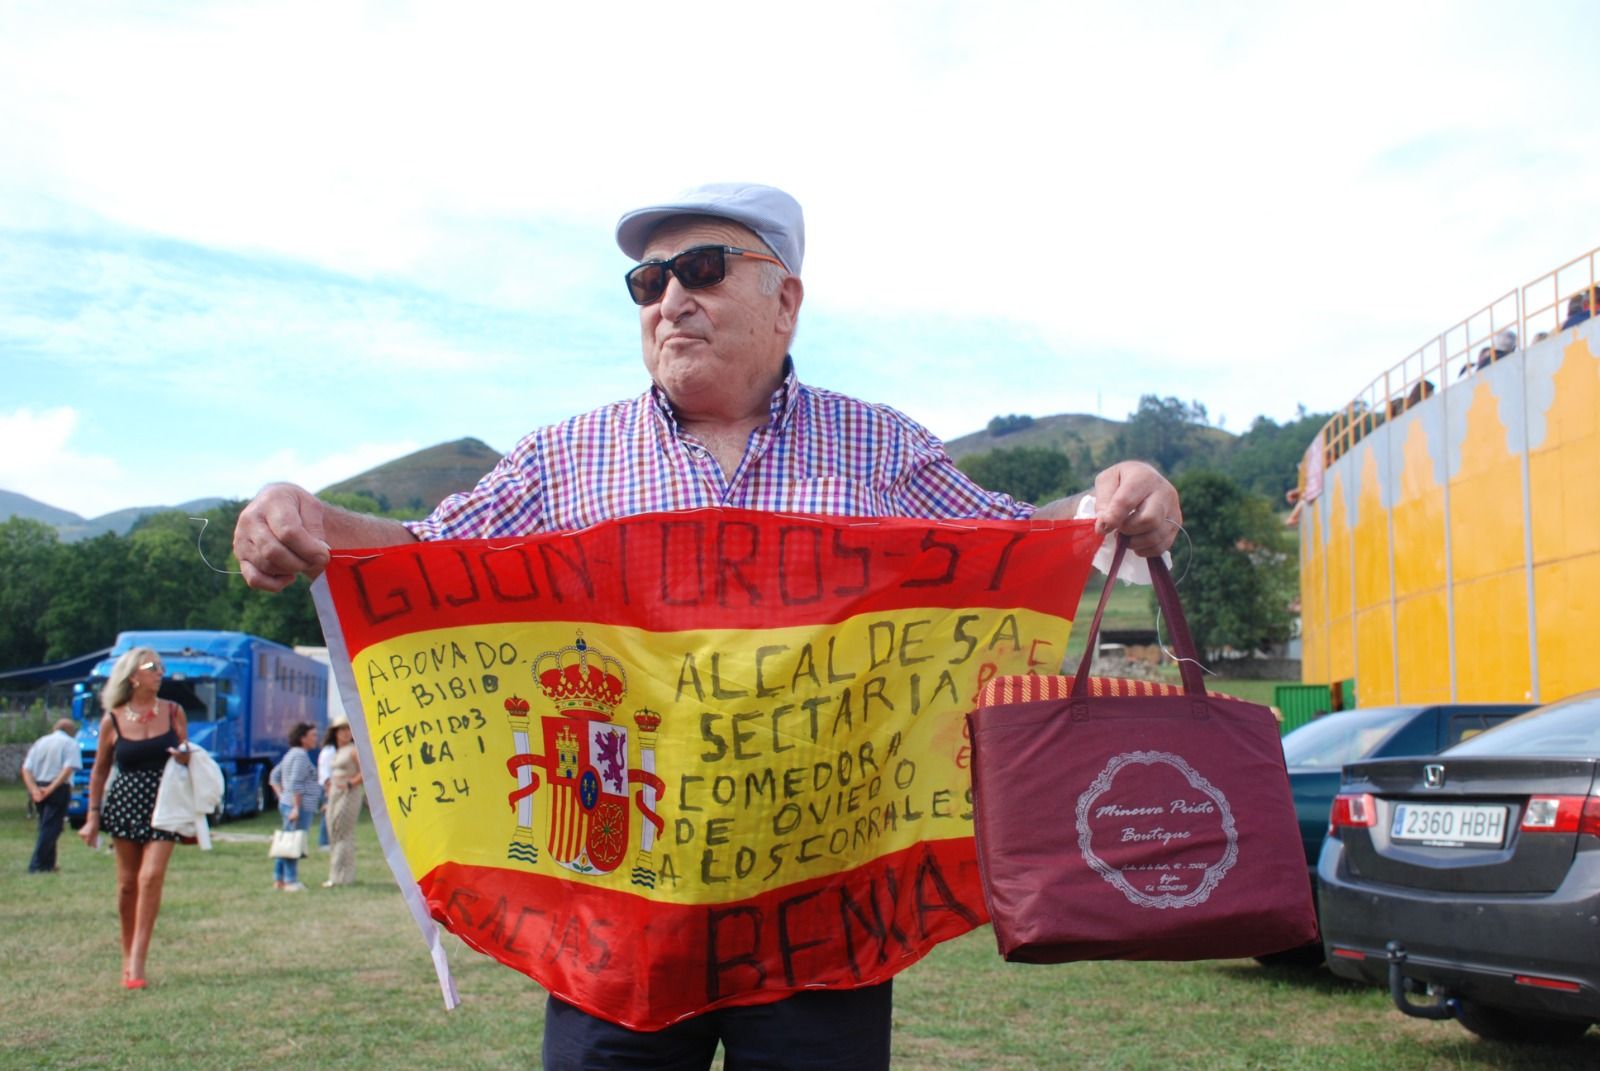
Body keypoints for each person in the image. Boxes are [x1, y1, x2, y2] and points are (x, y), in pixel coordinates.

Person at [233, 182, 1181, 1069]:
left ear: (786, 301)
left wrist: (1121, 505)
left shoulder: (882, 447)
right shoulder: (568, 454)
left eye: (702, 269)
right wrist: (311, 520)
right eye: (648, 282)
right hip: (616, 922)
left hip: (826, 919)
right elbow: (422, 552)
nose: (669, 299)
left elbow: (1020, 546)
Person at [77, 648, 190, 989]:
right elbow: (99, 772)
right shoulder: (112, 719)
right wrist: (92, 817)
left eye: (161, 668)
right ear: (132, 676)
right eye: (152, 667)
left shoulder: (173, 712)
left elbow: (188, 753)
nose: (160, 672)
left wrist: (185, 757)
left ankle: (138, 960)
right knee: (127, 884)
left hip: (165, 804)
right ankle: (127, 954)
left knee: (150, 877)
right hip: (124, 803)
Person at [21, 717, 81, 873]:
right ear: (71, 731)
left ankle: (49, 864)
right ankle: (37, 864)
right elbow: (68, 769)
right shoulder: (70, 743)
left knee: (46, 824)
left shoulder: (40, 742)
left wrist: (34, 789)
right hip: (58, 788)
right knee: (51, 827)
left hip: (39, 785)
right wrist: (52, 788)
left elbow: (26, 769)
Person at [268, 722, 322, 892]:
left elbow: (274, 776)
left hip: (288, 804)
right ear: (302, 738)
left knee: (286, 841)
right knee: (293, 842)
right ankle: (291, 880)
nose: (316, 738)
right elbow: (296, 783)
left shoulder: (291, 754)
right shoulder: (300, 756)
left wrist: (282, 796)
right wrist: (296, 807)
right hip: (298, 807)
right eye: (312, 735)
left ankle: (279, 879)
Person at [320, 716, 364, 887]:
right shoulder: (336, 751)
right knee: (333, 830)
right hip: (334, 793)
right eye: (342, 729)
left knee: (343, 832)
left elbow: (365, 772)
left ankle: (341, 876)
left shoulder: (354, 750)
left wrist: (350, 783)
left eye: (348, 729)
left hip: (348, 793)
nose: (345, 733)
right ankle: (337, 873)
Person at [316, 729, 336, 851]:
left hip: (331, 784)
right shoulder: (329, 751)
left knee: (331, 813)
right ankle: (324, 841)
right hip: (327, 785)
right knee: (327, 813)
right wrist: (328, 790)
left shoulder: (332, 750)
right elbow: (326, 772)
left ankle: (329, 840)